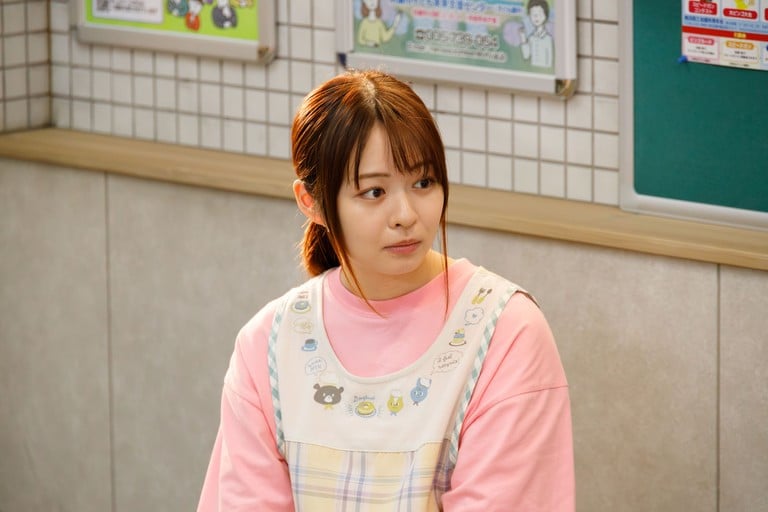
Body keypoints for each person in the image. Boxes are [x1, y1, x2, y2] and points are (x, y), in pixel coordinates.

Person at [197, 69, 574, 511]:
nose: (406, 215)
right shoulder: (268, 345)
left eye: (423, 183)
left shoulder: (505, 332)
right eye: (374, 192)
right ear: (311, 202)